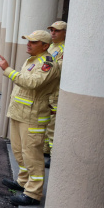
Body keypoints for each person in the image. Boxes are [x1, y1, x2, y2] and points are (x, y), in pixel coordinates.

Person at [0, 30, 61, 206]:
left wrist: (8, 70)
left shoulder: (48, 63)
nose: (29, 44)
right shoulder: (32, 60)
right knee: (19, 151)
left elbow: (32, 83)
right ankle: (23, 181)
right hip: (20, 113)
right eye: (28, 41)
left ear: (45, 46)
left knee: (32, 155)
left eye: (33, 42)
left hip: (33, 116)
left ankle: (33, 193)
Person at [43, 21, 66, 166]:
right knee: (46, 122)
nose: (53, 33)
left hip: (55, 92)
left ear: (65, 33)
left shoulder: (65, 48)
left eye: (57, 31)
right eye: (51, 30)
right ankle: (45, 150)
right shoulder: (52, 46)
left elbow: (56, 70)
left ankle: (53, 156)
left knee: (52, 125)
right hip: (47, 91)